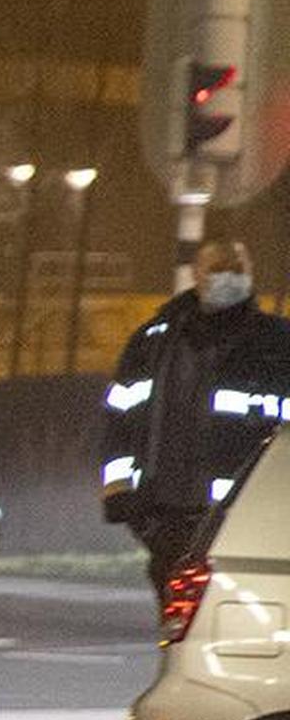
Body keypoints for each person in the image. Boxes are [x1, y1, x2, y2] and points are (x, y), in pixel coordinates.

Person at [98, 238, 290, 587]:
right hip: (163, 519)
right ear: (197, 274)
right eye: (218, 269)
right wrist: (119, 492)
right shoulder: (154, 342)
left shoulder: (277, 344)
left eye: (237, 269)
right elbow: (119, 418)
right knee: (179, 627)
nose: (228, 277)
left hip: (248, 519)